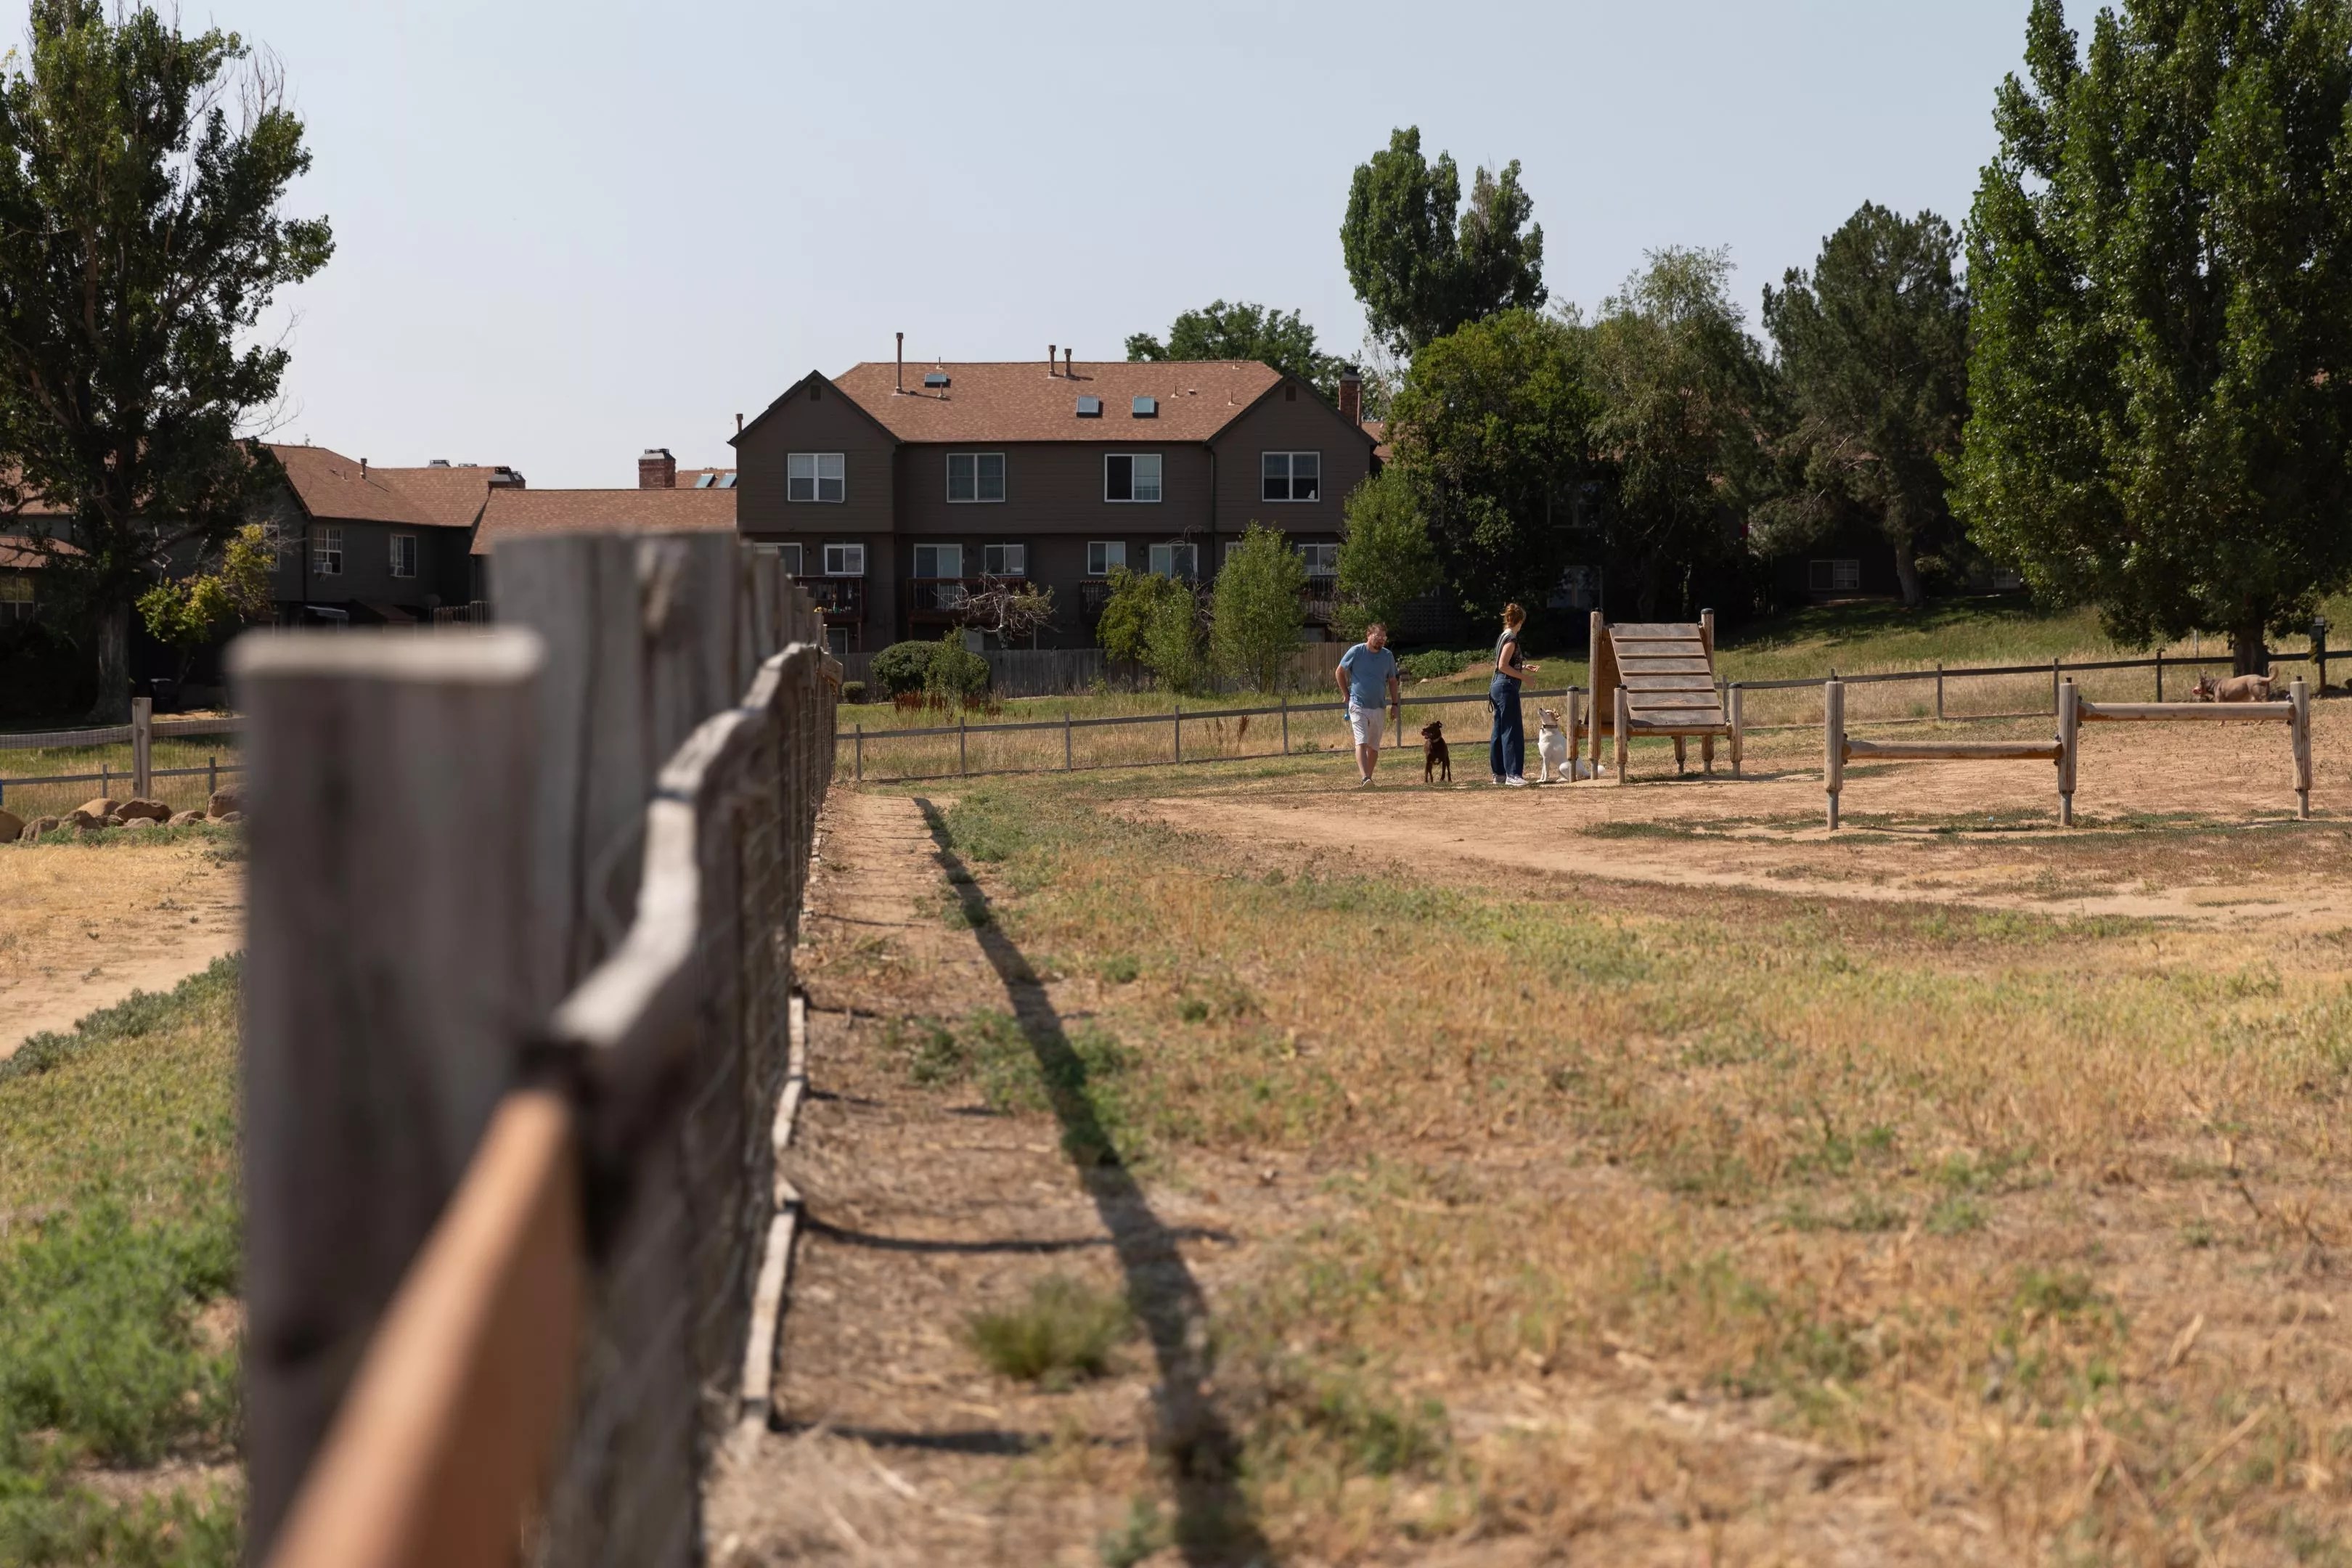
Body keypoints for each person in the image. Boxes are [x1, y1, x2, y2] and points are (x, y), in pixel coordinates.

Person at [1334, 622, 1402, 786]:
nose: (1381, 640)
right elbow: (1340, 671)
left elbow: (1393, 681)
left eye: (1384, 637)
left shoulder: (1387, 656)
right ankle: (1365, 777)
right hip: (1358, 703)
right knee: (1361, 741)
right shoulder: (1357, 651)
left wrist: (1395, 704)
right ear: (1368, 635)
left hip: (1379, 705)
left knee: (1374, 746)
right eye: (1378, 636)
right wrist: (1346, 694)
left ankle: (1368, 780)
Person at [1490, 603, 1538, 786]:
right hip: (1506, 687)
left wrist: (1523, 667)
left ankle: (1499, 774)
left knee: (1499, 729)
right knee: (1512, 730)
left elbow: (1506, 663)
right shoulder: (1512, 639)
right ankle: (1513, 774)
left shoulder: (1503, 636)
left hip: (1497, 686)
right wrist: (1525, 678)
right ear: (1520, 621)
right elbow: (1502, 666)